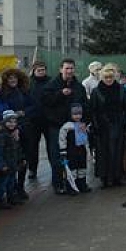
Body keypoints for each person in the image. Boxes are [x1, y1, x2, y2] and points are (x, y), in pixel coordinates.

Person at [42, 59, 89, 194]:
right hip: (58, 126)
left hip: (78, 126)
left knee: (80, 155)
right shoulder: (51, 86)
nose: (69, 71)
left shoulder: (79, 86)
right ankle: (59, 184)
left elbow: (85, 104)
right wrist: (60, 94)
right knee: (59, 156)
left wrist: (84, 121)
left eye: (71, 68)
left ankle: (81, 183)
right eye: (67, 68)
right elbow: (46, 102)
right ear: (60, 69)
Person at [89, 65, 126, 188]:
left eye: (111, 77)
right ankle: (105, 178)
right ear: (102, 77)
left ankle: (117, 176)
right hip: (102, 127)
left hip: (118, 124)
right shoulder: (96, 91)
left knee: (118, 152)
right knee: (103, 153)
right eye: (106, 77)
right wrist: (95, 126)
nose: (108, 79)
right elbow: (93, 110)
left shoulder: (121, 90)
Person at [0, 67, 33, 201]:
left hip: (25, 127)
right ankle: (12, 189)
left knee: (24, 159)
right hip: (11, 129)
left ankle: (20, 187)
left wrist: (24, 112)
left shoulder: (24, 91)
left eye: (15, 78)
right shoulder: (4, 93)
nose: (13, 80)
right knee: (12, 160)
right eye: (10, 78)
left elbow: (33, 105)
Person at [0, 110, 25, 208]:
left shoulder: (14, 133)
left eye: (14, 122)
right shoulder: (2, 134)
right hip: (5, 164)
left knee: (11, 181)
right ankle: (0, 200)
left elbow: (18, 148)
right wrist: (2, 164)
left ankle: (11, 198)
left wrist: (21, 159)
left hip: (12, 163)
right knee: (2, 183)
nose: (12, 124)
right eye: (10, 122)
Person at [26, 61, 51, 181]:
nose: (41, 72)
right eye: (39, 70)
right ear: (34, 71)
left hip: (48, 119)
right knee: (32, 146)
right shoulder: (28, 83)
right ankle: (32, 169)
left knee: (51, 146)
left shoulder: (51, 81)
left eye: (43, 70)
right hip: (33, 120)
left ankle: (55, 168)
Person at [58, 104, 91, 194]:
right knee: (72, 169)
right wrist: (63, 151)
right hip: (71, 151)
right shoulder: (66, 127)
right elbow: (62, 139)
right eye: (75, 114)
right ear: (70, 114)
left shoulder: (82, 125)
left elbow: (86, 139)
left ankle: (82, 185)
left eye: (79, 114)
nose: (77, 116)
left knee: (82, 168)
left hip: (81, 150)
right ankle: (71, 187)